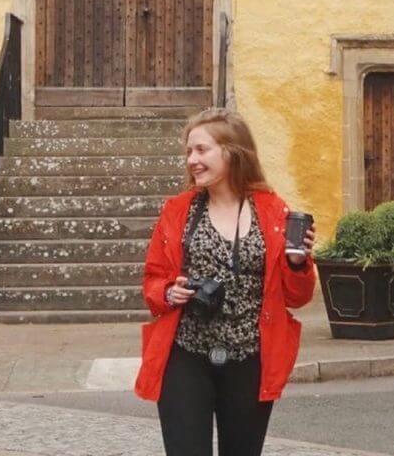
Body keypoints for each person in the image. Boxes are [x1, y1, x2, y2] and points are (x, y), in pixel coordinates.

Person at [135, 107, 317, 456]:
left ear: (232, 152)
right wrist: (170, 292)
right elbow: (153, 282)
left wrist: (297, 263)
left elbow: (297, 297)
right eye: (189, 151)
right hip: (186, 356)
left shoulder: (273, 212)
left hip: (249, 360)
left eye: (202, 150)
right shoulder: (178, 210)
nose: (192, 160)